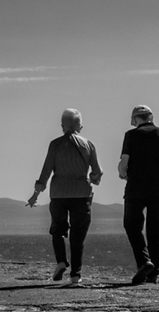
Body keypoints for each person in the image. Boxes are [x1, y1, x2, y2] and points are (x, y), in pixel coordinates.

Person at [27, 108, 103, 287]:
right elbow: (97, 173)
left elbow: (46, 171)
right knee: (78, 236)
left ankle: (61, 261)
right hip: (81, 193)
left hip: (59, 193)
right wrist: (93, 179)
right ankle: (76, 275)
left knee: (58, 230)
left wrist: (35, 195)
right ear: (78, 125)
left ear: (63, 126)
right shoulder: (88, 144)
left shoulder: (55, 145)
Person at [118, 104, 159, 285]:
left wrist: (122, 173)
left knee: (131, 225)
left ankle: (145, 262)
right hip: (158, 189)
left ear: (135, 119)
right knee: (155, 231)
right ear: (150, 117)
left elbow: (123, 163)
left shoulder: (131, 135)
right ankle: (153, 274)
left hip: (135, 188)